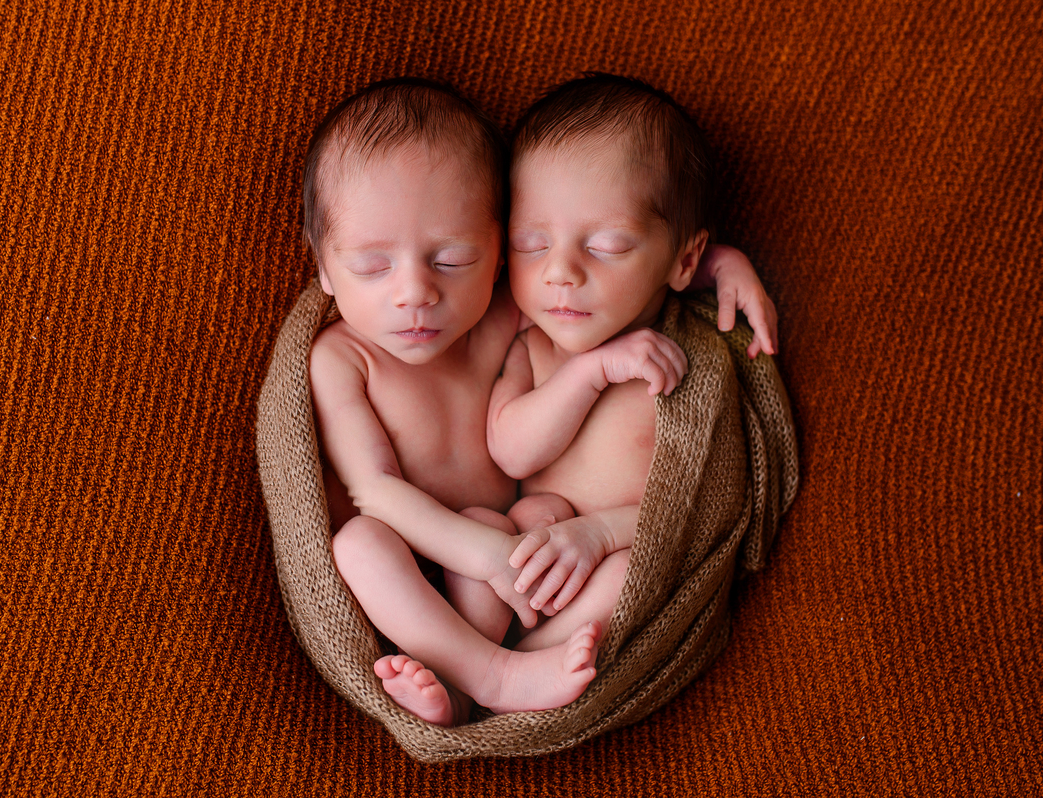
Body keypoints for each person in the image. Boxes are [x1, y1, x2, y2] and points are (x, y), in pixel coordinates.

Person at [305, 76, 776, 726]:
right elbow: (372, 493)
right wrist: (484, 554)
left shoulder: (504, 312)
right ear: (325, 269)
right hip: (429, 568)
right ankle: (485, 673)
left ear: (495, 255)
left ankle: (508, 675)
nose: (415, 291)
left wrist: (719, 266)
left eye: (450, 258)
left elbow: (614, 272)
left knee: (607, 566)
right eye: (370, 266)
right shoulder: (340, 355)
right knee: (357, 544)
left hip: (521, 548)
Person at [486, 73, 776, 652]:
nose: (559, 271)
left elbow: (706, 508)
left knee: (625, 577)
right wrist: (588, 372)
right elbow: (510, 450)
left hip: (623, 556)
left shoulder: (689, 356)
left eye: (607, 246)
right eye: (530, 243)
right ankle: (474, 653)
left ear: (684, 259)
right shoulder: (533, 346)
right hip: (527, 571)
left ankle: (512, 671)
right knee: (491, 527)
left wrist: (598, 534)